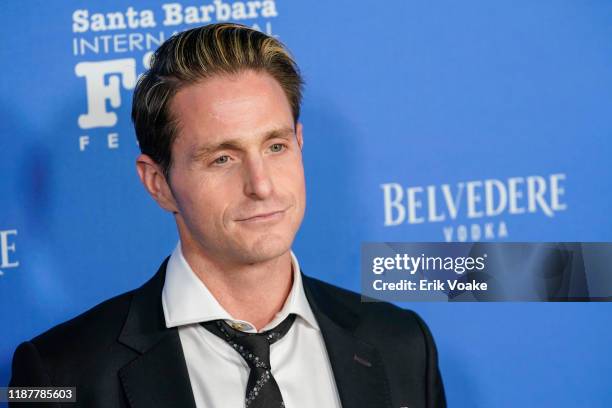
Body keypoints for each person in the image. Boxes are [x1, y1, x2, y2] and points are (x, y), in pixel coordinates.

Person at [10, 23, 446, 408]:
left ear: (299, 143)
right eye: (222, 158)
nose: (262, 185)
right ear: (158, 182)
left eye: (276, 147)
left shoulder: (401, 343)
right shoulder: (59, 375)